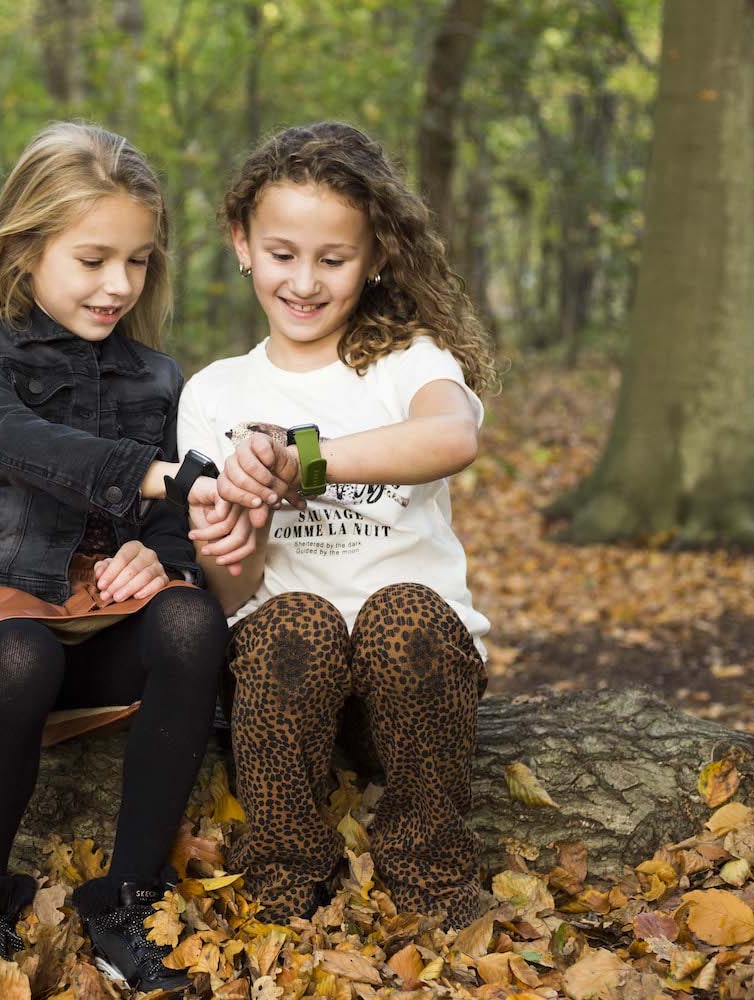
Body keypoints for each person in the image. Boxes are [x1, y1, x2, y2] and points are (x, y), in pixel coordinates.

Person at [0, 122, 229, 991]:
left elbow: (171, 526)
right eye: (93, 260)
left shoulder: (157, 377)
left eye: (138, 261)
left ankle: (125, 898)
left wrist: (156, 557)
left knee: (195, 621)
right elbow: (15, 442)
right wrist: (152, 477)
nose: (119, 284)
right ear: (24, 250)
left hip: (102, 628)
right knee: (22, 652)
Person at [175, 121, 501, 927]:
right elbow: (230, 591)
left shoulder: (408, 359)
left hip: (414, 682)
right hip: (285, 686)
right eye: (283, 254)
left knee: (405, 612)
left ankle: (428, 867)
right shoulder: (213, 394)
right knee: (295, 624)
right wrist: (233, 536)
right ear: (241, 243)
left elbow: (452, 435)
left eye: (334, 259)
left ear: (378, 256)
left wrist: (302, 460)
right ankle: (284, 874)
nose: (305, 282)